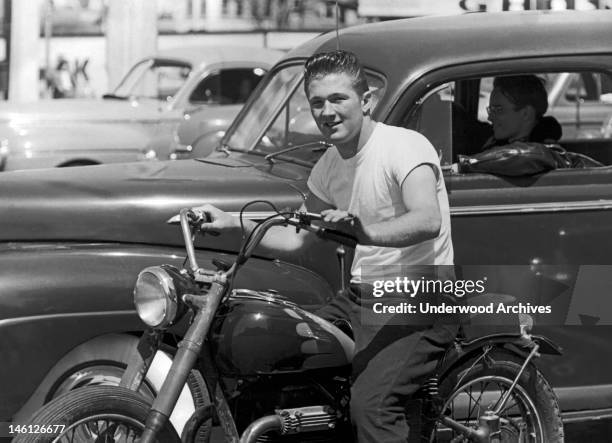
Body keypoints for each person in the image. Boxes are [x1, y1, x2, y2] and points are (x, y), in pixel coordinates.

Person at [193, 50, 457, 442]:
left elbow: (427, 219)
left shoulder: (404, 147)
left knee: (372, 406)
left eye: (338, 99)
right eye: (317, 102)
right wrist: (230, 222)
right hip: (360, 296)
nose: (327, 111)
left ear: (366, 102)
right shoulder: (330, 165)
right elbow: (295, 233)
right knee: (285, 357)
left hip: (422, 295)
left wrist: (365, 231)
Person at [455, 75, 602, 175]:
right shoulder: (497, 138)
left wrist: (463, 166)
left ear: (526, 114)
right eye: (490, 109)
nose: (489, 117)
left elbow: (527, 155)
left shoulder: (544, 153)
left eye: (498, 110)